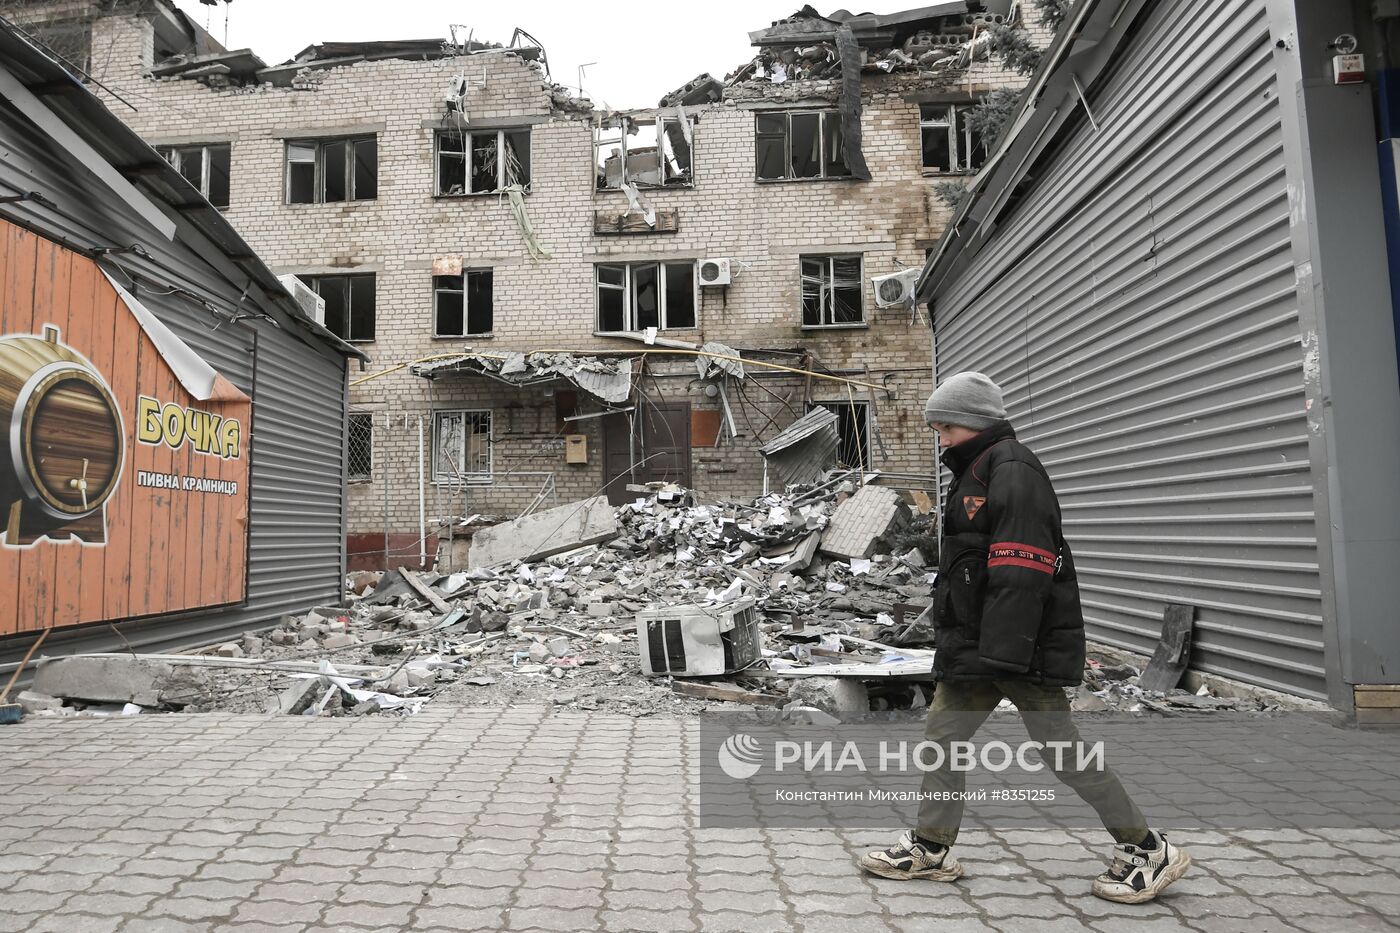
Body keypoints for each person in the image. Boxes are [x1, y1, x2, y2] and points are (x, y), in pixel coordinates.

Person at [858, 371, 1191, 904]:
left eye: (946, 427)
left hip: (1014, 648)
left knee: (1062, 750)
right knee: (942, 743)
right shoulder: (978, 469)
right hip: (977, 644)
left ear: (975, 422)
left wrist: (1005, 653)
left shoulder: (1012, 469)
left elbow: (1022, 567)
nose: (941, 438)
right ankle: (930, 847)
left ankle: (1148, 849)